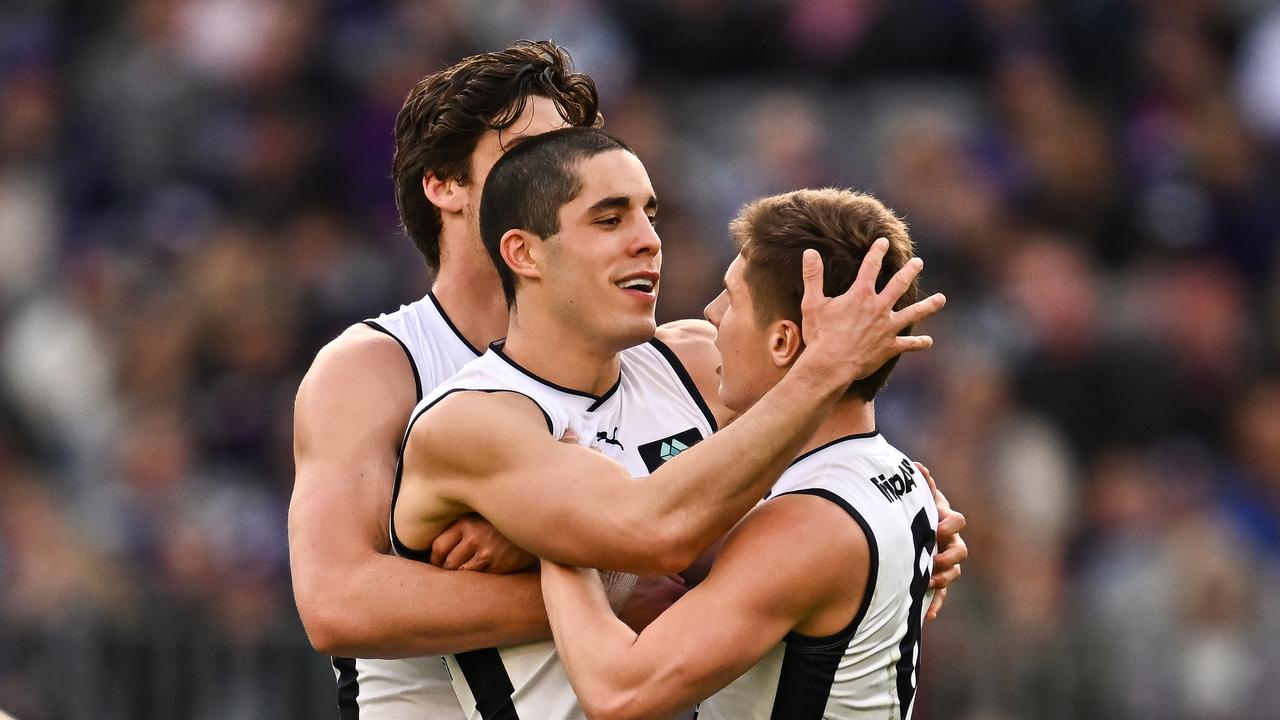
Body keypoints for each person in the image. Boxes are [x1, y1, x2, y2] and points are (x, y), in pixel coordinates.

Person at [288, 41, 964, 719]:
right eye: (532, 155)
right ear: (445, 186)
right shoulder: (378, 367)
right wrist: (605, 572)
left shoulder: (679, 357)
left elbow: (811, 472)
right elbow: (335, 604)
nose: (565, 170)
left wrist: (907, 526)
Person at [539, 188, 941, 719]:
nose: (710, 313)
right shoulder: (892, 472)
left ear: (782, 342)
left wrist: (555, 525)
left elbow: (620, 693)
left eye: (731, 298)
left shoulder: (812, 523)